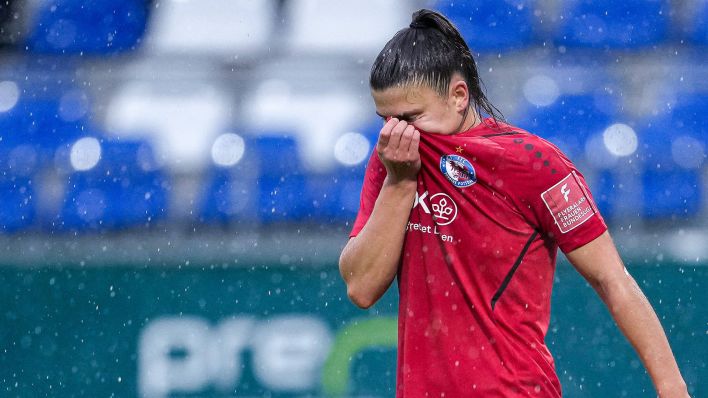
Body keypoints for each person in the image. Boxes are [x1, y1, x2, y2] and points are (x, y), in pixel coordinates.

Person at [338, 8, 690, 398]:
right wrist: (400, 183)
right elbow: (361, 287)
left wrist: (671, 387)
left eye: (410, 116)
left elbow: (612, 280)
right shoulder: (392, 161)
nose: (394, 131)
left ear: (458, 96)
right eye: (384, 118)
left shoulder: (535, 164)